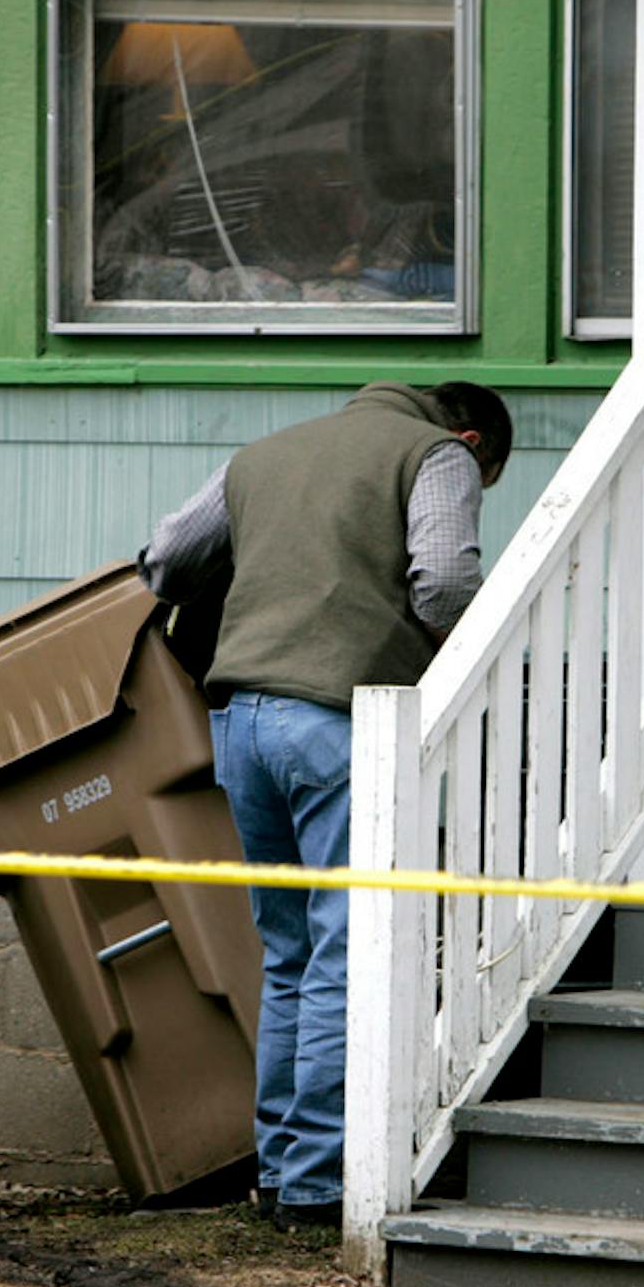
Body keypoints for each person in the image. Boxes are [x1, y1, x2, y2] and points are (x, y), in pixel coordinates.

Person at [137, 380, 513, 1233]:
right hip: (336, 724)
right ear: (469, 438)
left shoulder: (264, 454)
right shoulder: (438, 455)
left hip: (240, 724)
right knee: (345, 952)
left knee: (289, 955)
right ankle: (314, 1183)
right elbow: (447, 582)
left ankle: (277, 1169)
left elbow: (164, 561)